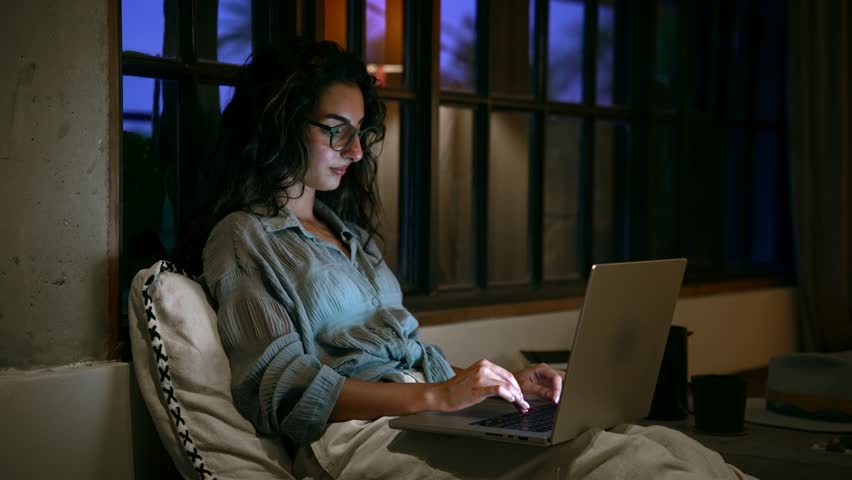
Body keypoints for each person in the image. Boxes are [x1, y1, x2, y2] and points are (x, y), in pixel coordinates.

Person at [187, 39, 753, 480]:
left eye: (359, 133)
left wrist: (491, 387)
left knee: (659, 445)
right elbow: (284, 390)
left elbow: (407, 364)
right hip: (357, 438)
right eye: (336, 132)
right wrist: (437, 396)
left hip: (424, 414)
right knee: (608, 465)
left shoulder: (351, 236)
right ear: (280, 122)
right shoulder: (243, 237)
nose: (356, 152)